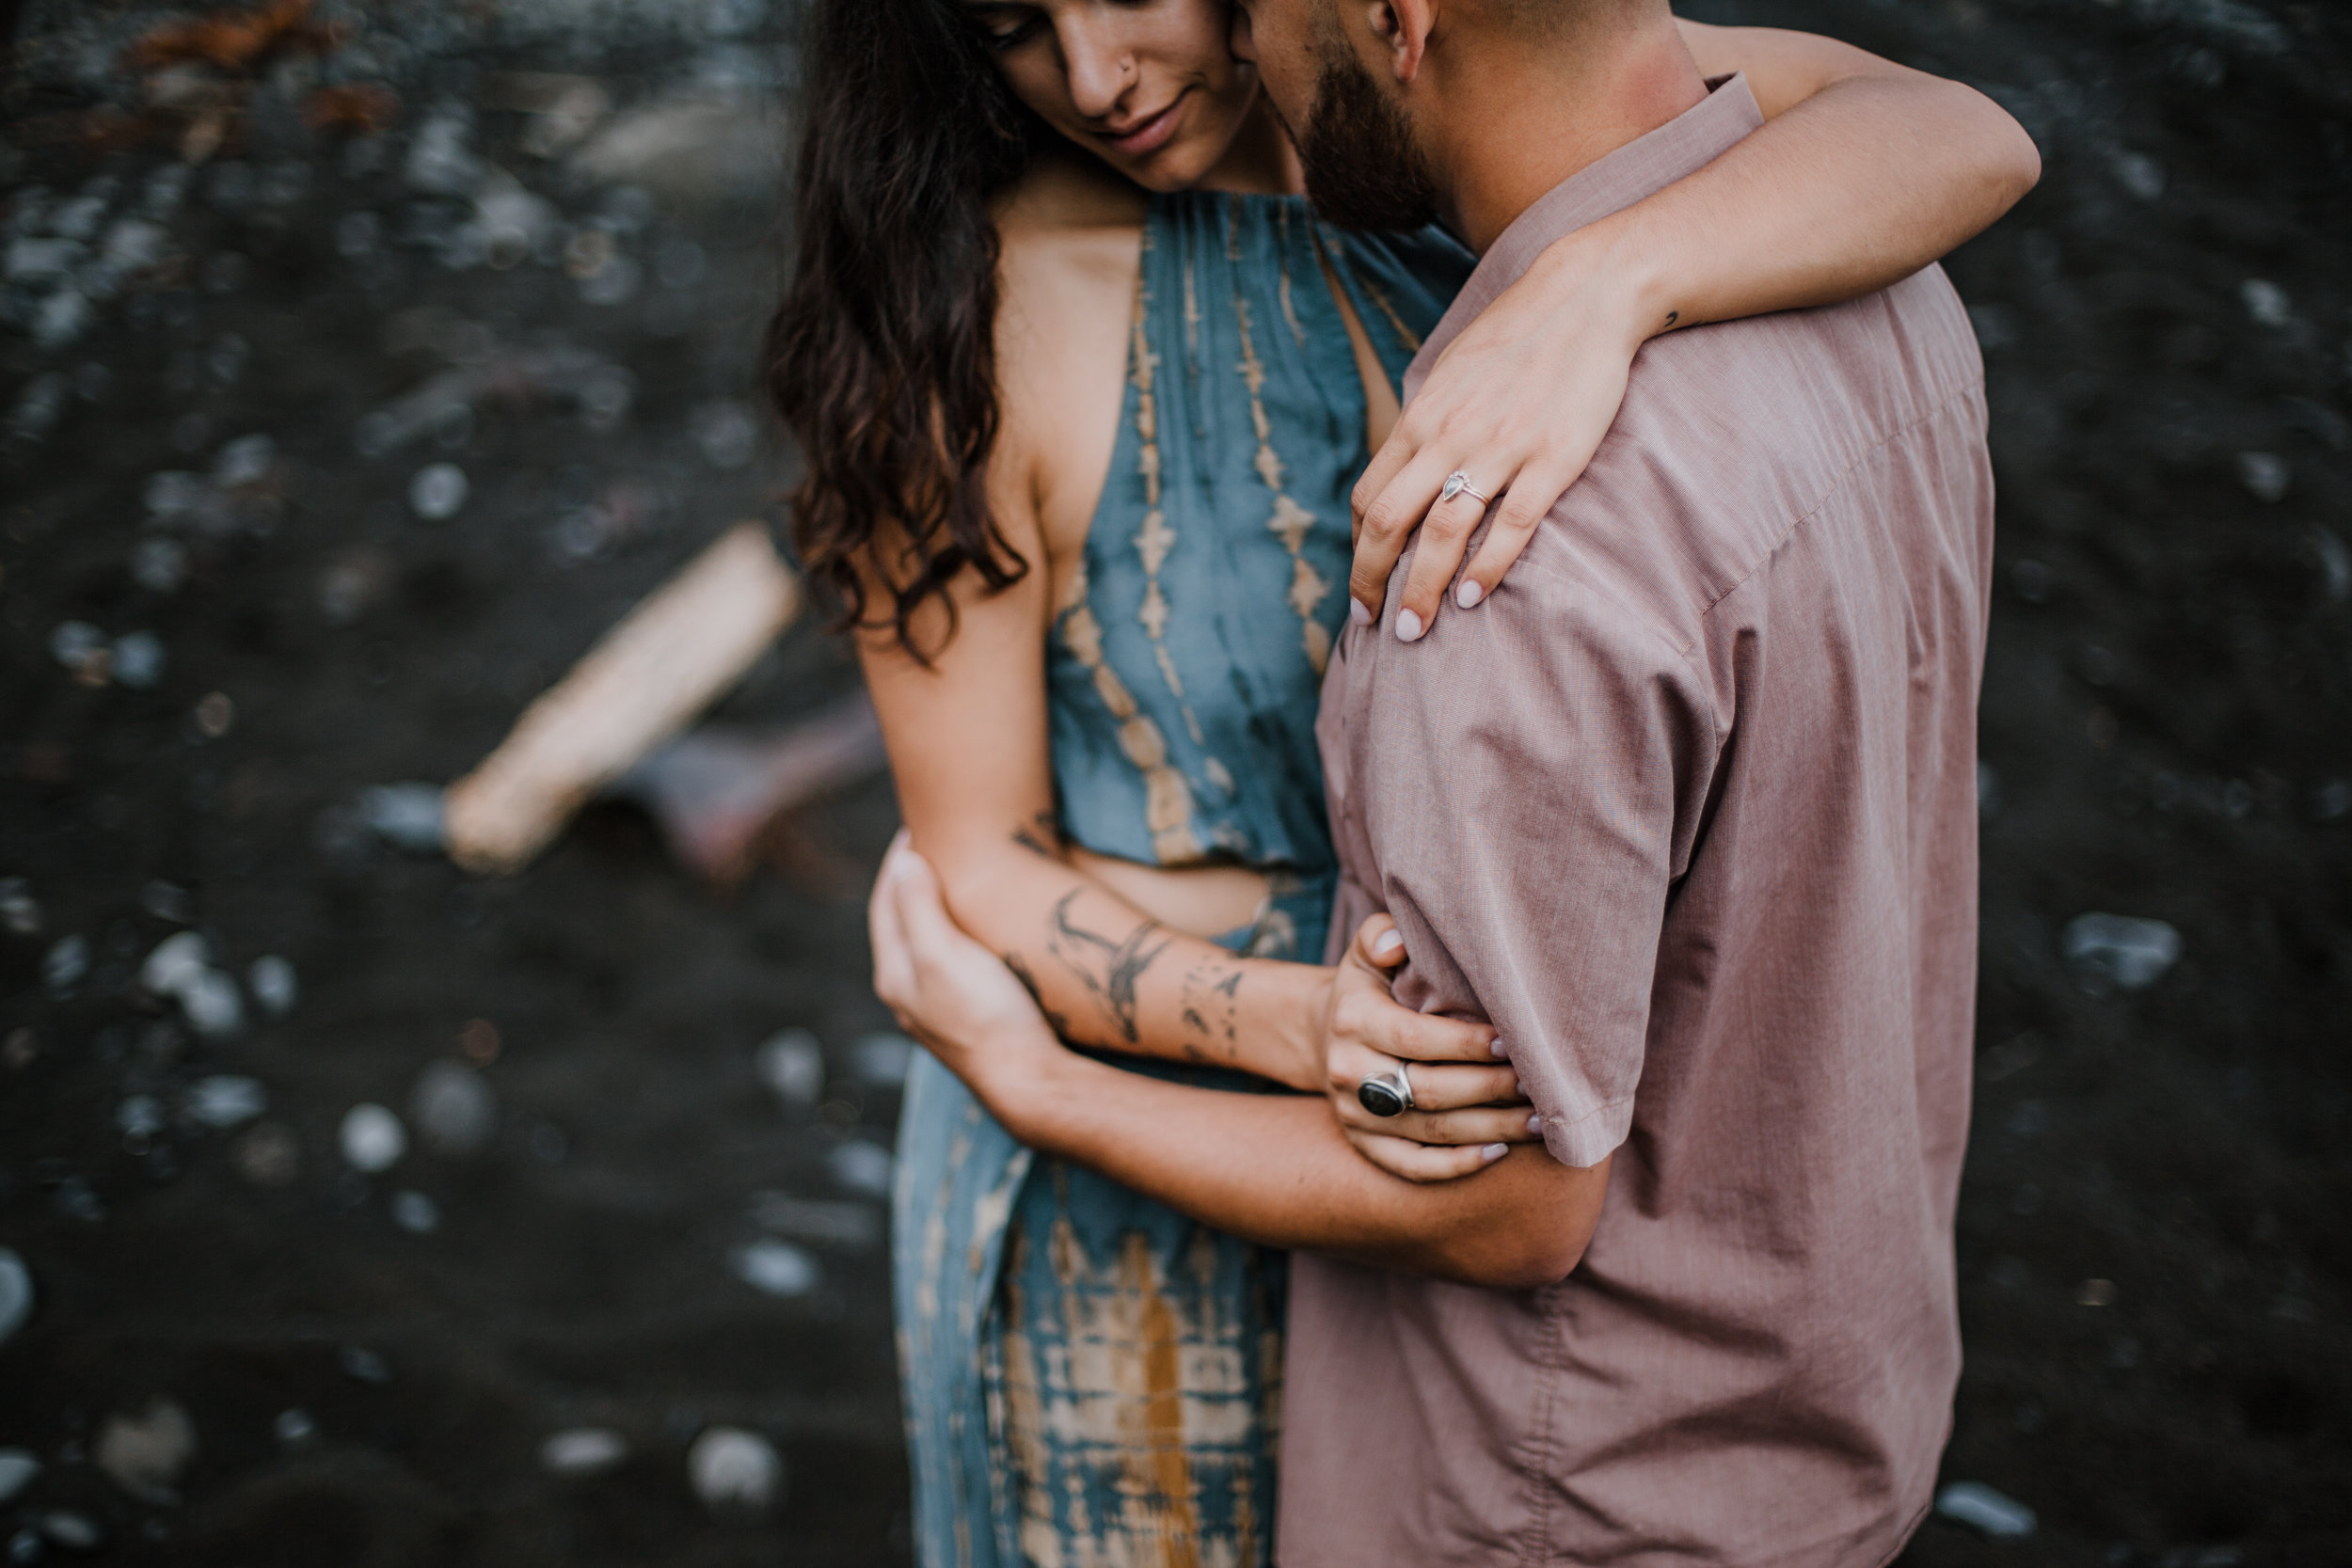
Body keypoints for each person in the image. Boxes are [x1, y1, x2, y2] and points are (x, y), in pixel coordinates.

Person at [771, 0, 2035, 1561]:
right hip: (1159, 1199)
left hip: (1456, 1176)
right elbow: (976, 866)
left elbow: (1966, 132)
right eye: (1018, 27)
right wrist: (1306, 1031)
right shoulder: (969, 312)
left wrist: (1605, 282)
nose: (1096, 79)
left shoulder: (1438, 155)